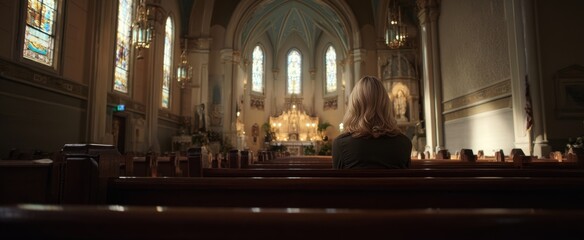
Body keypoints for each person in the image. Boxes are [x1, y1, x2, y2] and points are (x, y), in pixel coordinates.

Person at [332, 76, 412, 169]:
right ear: (386, 105)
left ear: (354, 105)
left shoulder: (340, 144)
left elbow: (338, 181)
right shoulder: (404, 143)